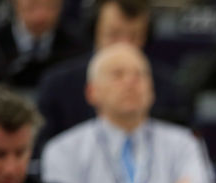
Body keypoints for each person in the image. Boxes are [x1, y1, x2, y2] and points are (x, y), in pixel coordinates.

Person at [40, 43, 214, 183]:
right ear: (91, 92)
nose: (130, 82)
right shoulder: (62, 150)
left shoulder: (184, 142)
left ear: (152, 90)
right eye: (118, 74)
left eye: (140, 75)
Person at [35, 0, 190, 151]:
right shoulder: (58, 84)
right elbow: (42, 151)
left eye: (134, 36)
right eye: (113, 35)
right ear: (94, 31)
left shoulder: (166, 86)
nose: (123, 45)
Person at [0, 0, 84, 86]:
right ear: (15, 3)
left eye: (50, 6)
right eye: (32, 6)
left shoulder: (77, 45)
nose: (41, 16)